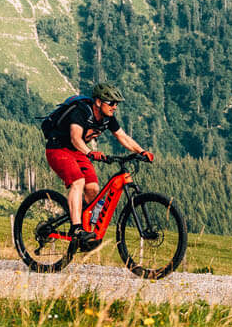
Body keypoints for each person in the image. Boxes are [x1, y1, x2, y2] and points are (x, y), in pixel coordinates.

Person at [42, 81, 153, 247]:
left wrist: (141, 151)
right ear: (99, 102)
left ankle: (86, 234)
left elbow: (122, 137)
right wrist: (89, 152)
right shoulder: (82, 111)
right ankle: (76, 228)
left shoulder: (108, 119)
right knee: (78, 181)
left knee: (93, 189)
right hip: (58, 149)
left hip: (78, 152)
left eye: (116, 104)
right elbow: (75, 138)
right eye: (111, 103)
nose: (114, 107)